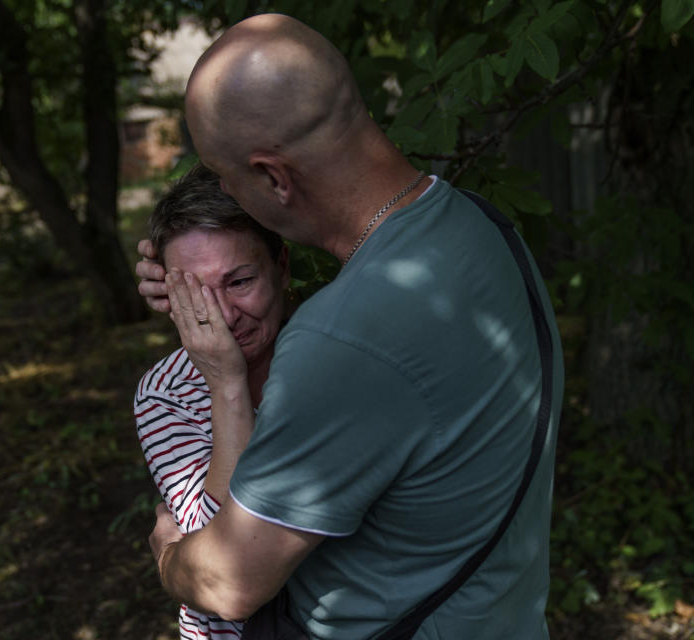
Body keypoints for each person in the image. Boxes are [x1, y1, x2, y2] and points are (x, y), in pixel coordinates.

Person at [136, 13, 564, 640]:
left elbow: (229, 584)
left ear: (273, 177)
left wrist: (170, 556)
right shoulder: (482, 228)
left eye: (227, 179)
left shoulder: (339, 340)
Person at [134, 163, 291, 639]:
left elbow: (236, 567)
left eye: (239, 281)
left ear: (281, 269)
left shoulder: (332, 361)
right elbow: (216, 568)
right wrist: (227, 384)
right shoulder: (167, 393)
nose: (223, 316)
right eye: (196, 293)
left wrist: (170, 556)